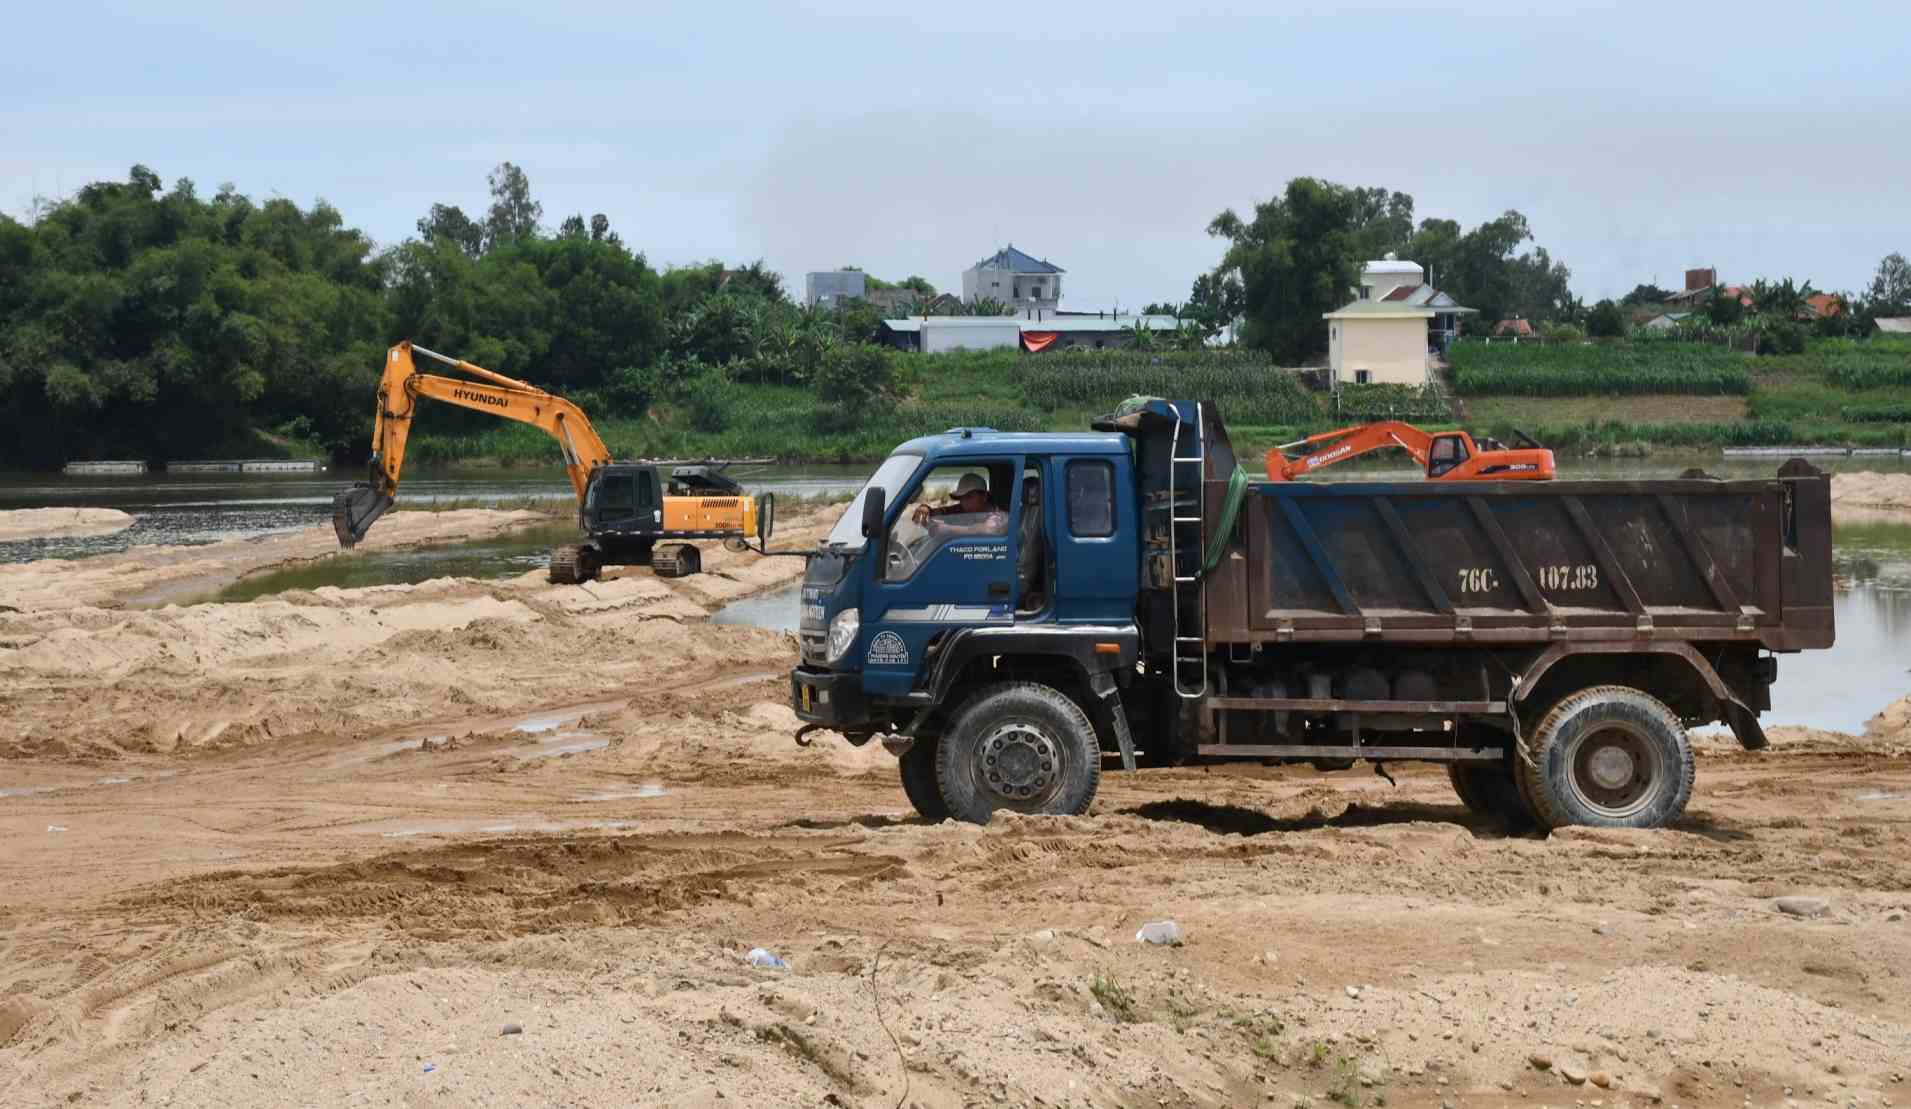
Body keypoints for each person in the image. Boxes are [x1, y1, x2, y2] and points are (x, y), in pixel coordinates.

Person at [911, 473, 1006, 536]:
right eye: (961, 497)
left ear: (984, 497)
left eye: (969, 496)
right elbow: (942, 512)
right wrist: (926, 509)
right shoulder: (964, 509)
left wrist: (947, 529)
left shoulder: (997, 517)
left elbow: (982, 529)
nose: (964, 502)